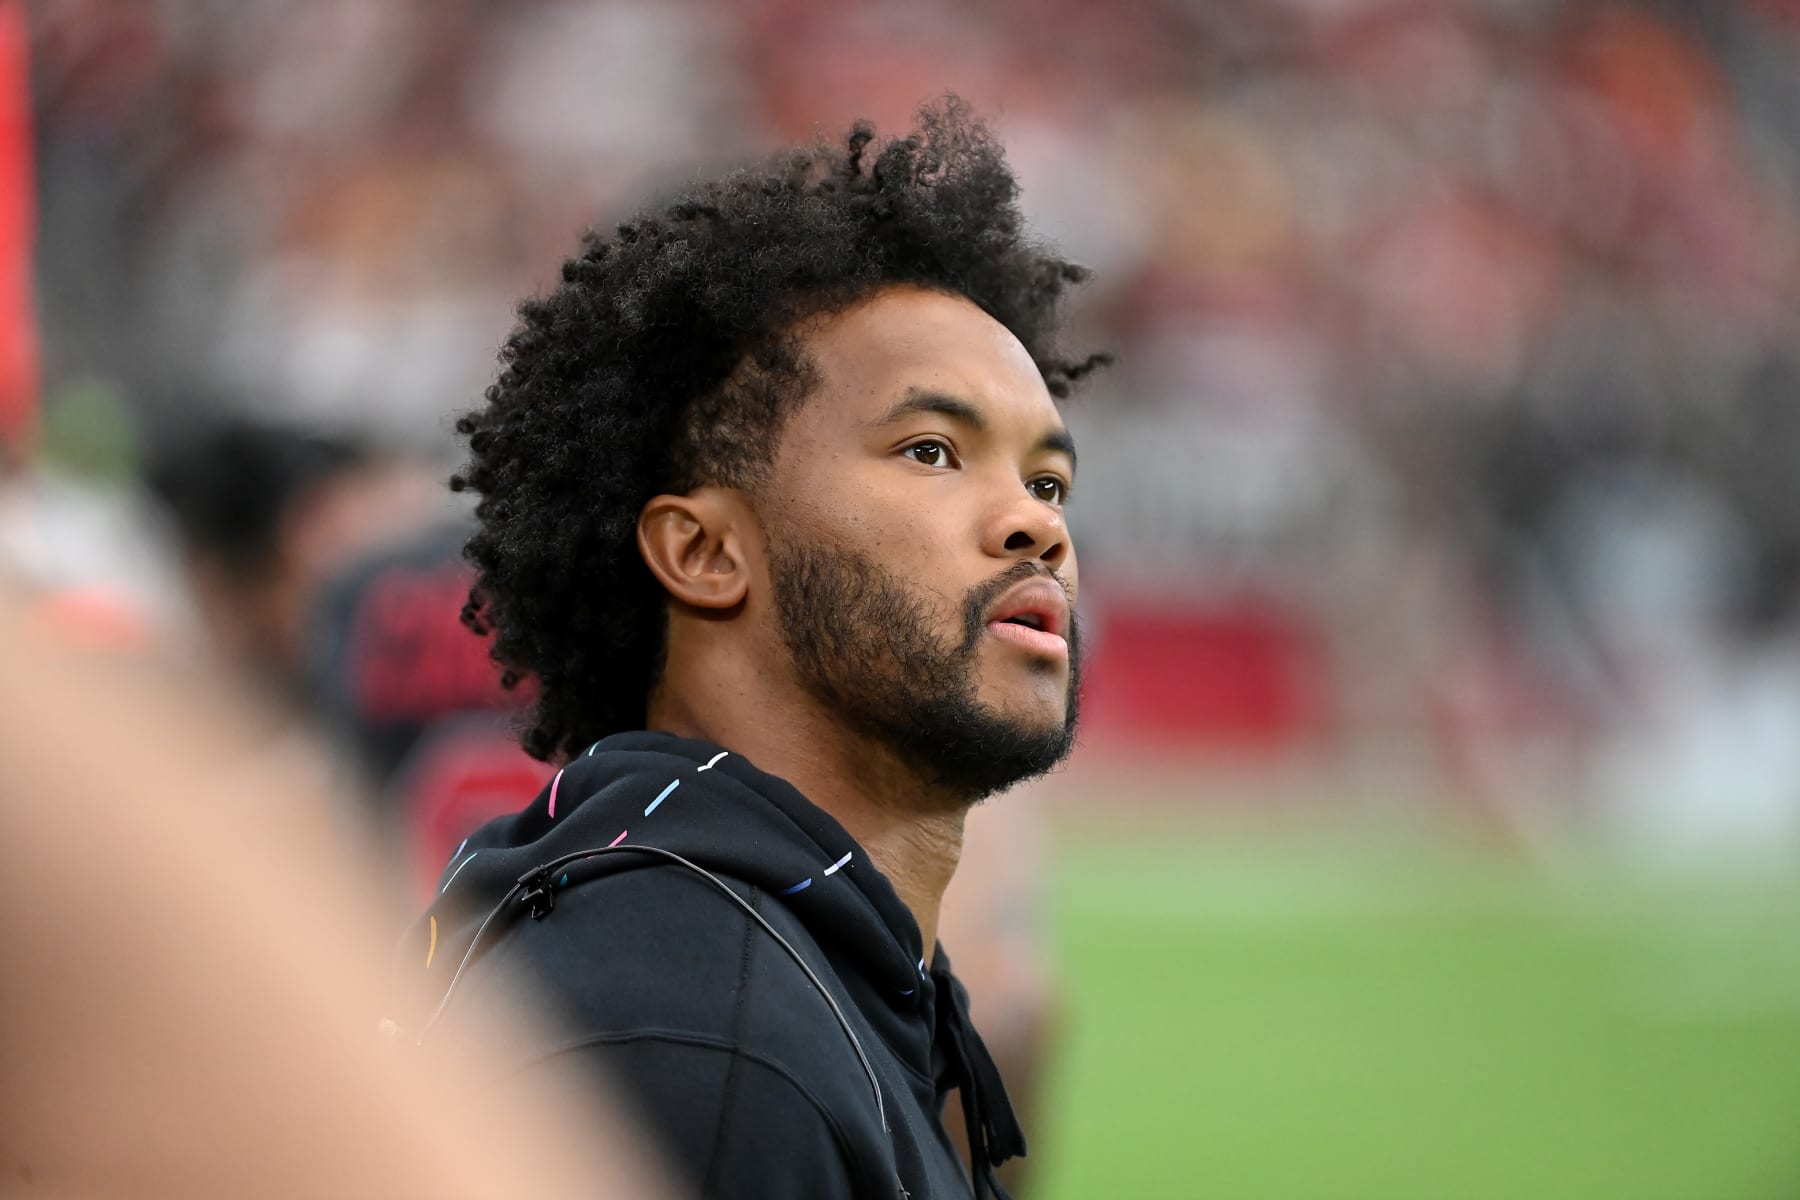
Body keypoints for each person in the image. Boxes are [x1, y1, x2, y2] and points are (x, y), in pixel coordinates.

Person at [394, 100, 1107, 1200]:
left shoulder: (781, 958)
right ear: (705, 552)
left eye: (1047, 478)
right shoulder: (698, 1044)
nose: (1035, 524)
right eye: (931, 451)